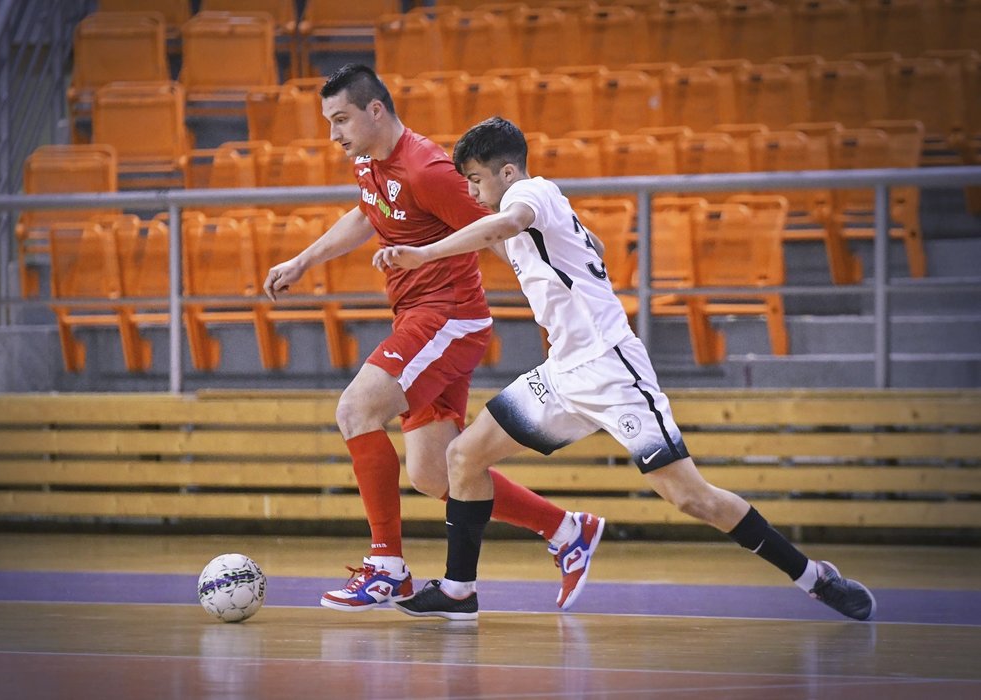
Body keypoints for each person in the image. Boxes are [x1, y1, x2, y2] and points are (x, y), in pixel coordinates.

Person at [375, 117, 877, 623]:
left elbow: (507, 224)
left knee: (690, 497)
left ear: (507, 173)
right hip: (562, 373)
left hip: (613, 371)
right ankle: (460, 590)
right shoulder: (537, 210)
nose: (472, 192)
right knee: (463, 457)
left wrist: (426, 253)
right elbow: (586, 246)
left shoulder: (529, 193)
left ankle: (814, 576)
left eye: (477, 180)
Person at [262, 66, 603, 612]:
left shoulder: (428, 170)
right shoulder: (369, 162)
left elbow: (497, 230)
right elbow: (367, 215)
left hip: (448, 316)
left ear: (377, 110)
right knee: (432, 472)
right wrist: (303, 260)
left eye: (341, 119)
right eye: (329, 122)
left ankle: (386, 568)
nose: (334, 134)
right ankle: (568, 531)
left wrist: (558, 309)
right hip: (419, 318)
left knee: (355, 410)